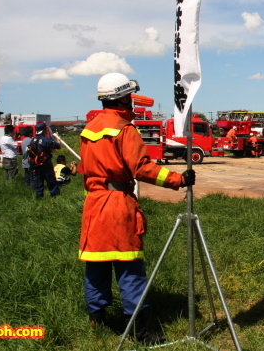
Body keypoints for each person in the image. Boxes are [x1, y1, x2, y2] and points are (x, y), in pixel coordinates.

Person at [78, 72, 195, 345]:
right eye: (130, 97)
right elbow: (141, 168)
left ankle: (97, 320)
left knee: (96, 266)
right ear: (123, 98)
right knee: (129, 267)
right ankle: (140, 330)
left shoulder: (88, 129)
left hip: (94, 204)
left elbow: (85, 170)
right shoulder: (124, 129)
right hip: (118, 205)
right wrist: (179, 179)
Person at [29, 122, 61, 199]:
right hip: (46, 163)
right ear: (44, 130)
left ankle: (39, 196)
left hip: (36, 164)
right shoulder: (46, 139)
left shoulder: (33, 140)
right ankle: (54, 195)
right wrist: (58, 139)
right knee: (50, 180)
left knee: (39, 180)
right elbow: (58, 146)